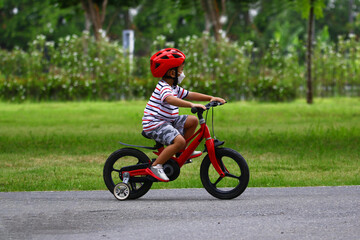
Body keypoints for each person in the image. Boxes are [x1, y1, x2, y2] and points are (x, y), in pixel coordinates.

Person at [142, 48, 226, 181]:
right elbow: (169, 99)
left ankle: (182, 152)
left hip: (167, 121)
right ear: (171, 72)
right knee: (179, 141)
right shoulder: (164, 87)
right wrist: (191, 105)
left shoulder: (174, 87)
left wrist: (211, 97)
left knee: (193, 121)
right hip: (154, 124)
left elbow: (190, 94)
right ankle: (156, 165)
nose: (182, 73)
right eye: (181, 69)